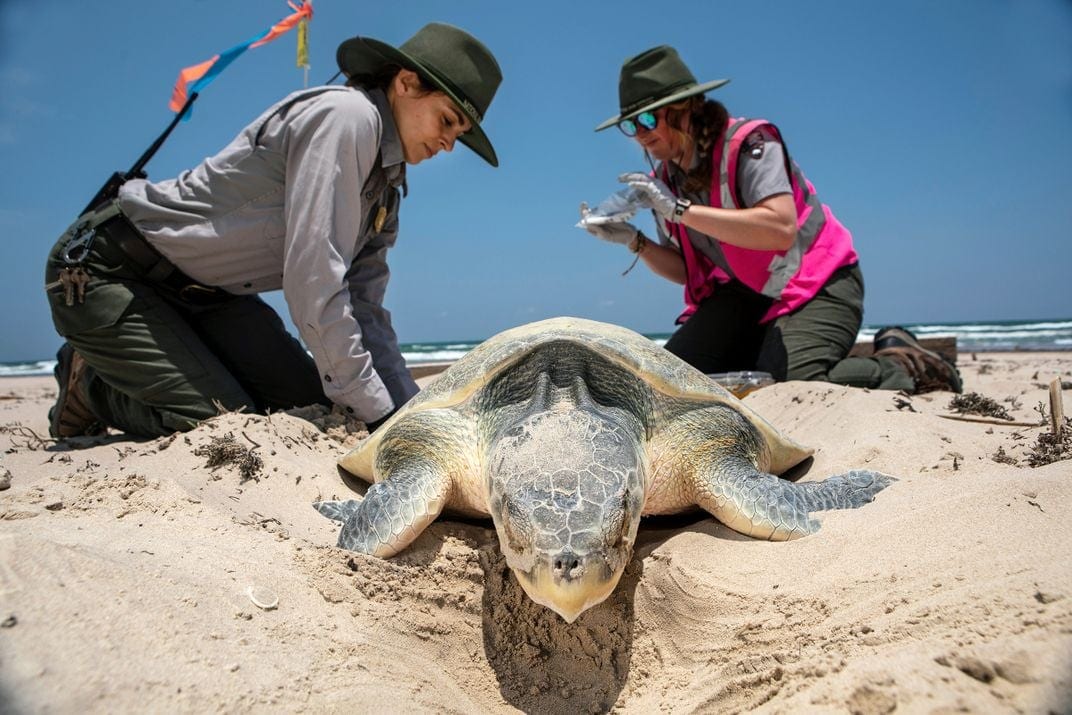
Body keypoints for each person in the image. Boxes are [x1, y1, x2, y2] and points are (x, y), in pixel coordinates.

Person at [44, 22, 503, 439]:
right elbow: (314, 280)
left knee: (310, 406)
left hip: (212, 296)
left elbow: (365, 309)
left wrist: (406, 416)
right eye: (447, 120)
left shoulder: (388, 189)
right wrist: (379, 419)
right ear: (405, 83)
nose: (447, 144)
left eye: (458, 134)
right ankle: (88, 383)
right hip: (109, 267)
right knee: (224, 423)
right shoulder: (346, 118)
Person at [580, 45, 961, 395]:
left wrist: (679, 210)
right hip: (747, 294)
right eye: (631, 125)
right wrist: (635, 240)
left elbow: (779, 230)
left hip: (819, 283)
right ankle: (769, 353)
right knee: (674, 379)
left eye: (648, 119)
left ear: (686, 108)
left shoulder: (751, 144)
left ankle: (900, 367)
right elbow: (685, 271)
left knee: (794, 382)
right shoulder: (664, 181)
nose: (641, 134)